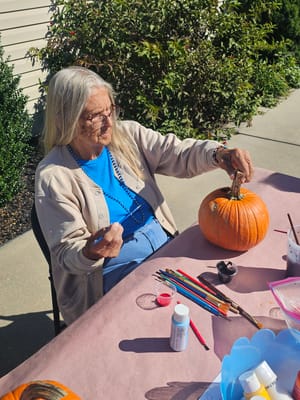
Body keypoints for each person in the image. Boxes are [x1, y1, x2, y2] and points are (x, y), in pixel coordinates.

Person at [35, 66, 253, 325]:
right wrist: (92, 250)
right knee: (169, 325)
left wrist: (218, 154)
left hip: (165, 252)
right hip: (114, 274)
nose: (109, 122)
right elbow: (65, 254)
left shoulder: (127, 135)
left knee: (223, 301)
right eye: (96, 116)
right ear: (66, 118)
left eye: (111, 110)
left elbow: (178, 153)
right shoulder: (54, 175)